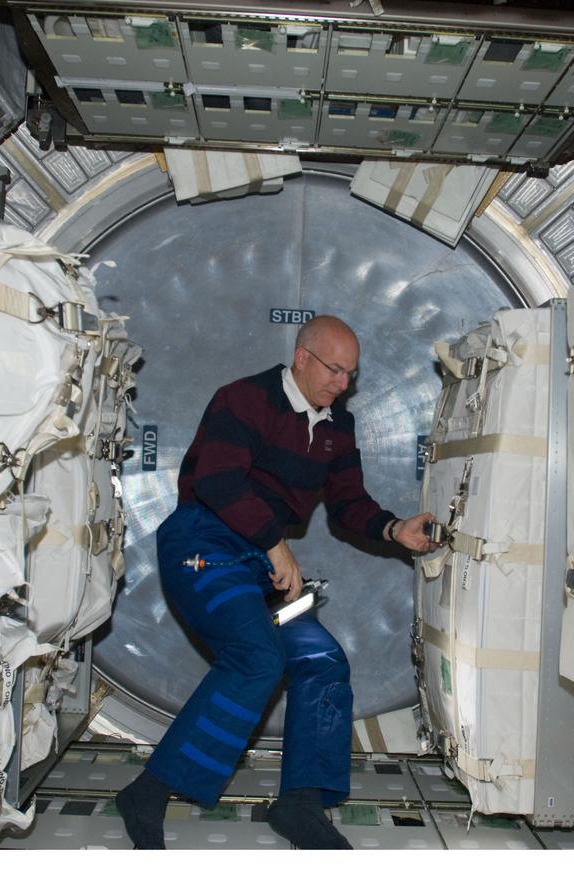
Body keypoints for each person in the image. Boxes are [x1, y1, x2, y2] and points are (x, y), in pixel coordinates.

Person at [115, 314, 434, 850]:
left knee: (323, 661)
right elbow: (217, 480)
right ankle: (147, 792)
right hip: (202, 547)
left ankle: (300, 804)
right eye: (335, 370)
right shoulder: (244, 399)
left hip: (257, 559)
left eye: (351, 375)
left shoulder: (337, 427)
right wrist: (275, 543)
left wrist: (393, 527)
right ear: (302, 357)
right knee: (257, 657)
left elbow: (348, 503)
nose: (343, 384)